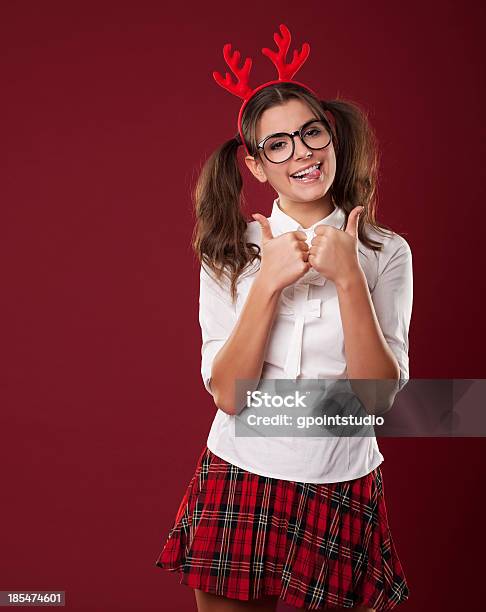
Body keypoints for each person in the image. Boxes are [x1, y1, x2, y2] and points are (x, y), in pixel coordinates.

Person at [155, 25, 413, 612]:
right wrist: (268, 282)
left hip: (341, 479)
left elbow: (376, 400)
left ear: (332, 138)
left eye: (312, 132)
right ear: (255, 165)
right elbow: (227, 393)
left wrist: (349, 278)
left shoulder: (384, 251)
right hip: (241, 471)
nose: (302, 152)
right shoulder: (228, 248)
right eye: (278, 145)